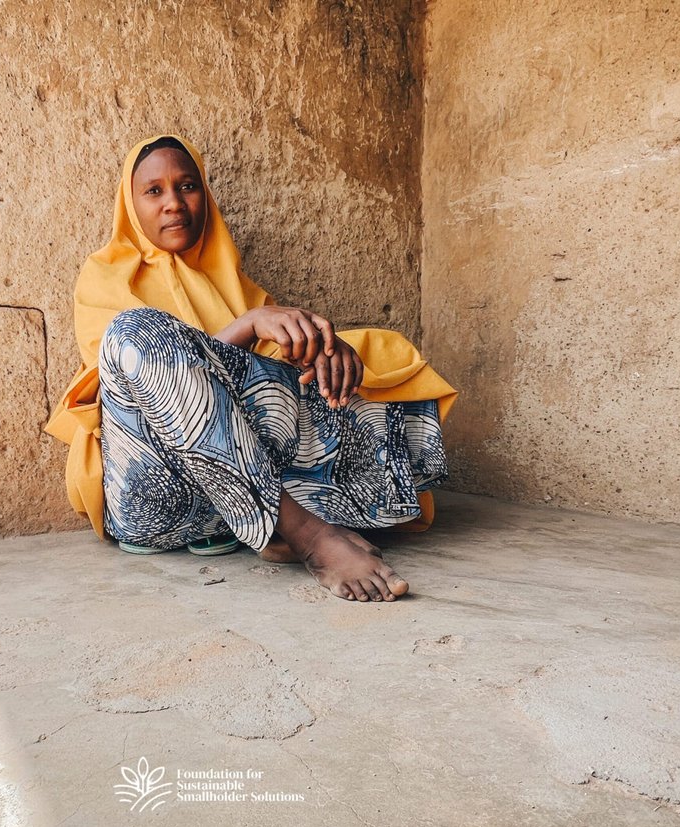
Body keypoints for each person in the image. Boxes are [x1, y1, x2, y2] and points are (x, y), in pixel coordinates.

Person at [45, 135, 456, 602]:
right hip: (157, 501)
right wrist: (248, 325)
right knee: (135, 331)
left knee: (373, 356)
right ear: (130, 204)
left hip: (230, 511)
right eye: (153, 191)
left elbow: (277, 391)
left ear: (206, 196)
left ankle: (273, 523)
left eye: (187, 186)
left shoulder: (237, 288)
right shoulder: (105, 276)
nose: (174, 204)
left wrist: (325, 349)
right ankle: (308, 534)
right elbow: (152, 378)